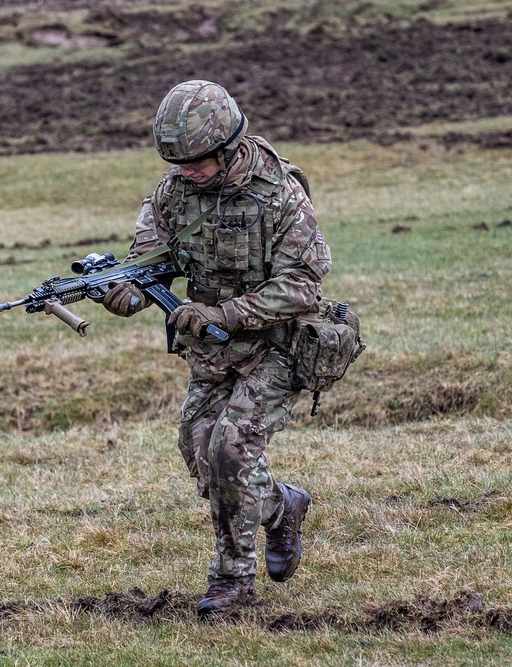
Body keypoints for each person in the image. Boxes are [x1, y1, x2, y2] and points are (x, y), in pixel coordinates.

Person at [101, 80, 331, 616]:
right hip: (212, 353)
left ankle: (232, 581)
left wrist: (223, 313)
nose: (186, 173)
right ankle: (281, 506)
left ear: (228, 146)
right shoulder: (172, 193)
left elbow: (302, 287)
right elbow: (150, 260)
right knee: (198, 451)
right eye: (177, 163)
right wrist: (128, 291)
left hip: (276, 346)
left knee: (230, 451)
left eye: (197, 163)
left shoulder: (279, 194)